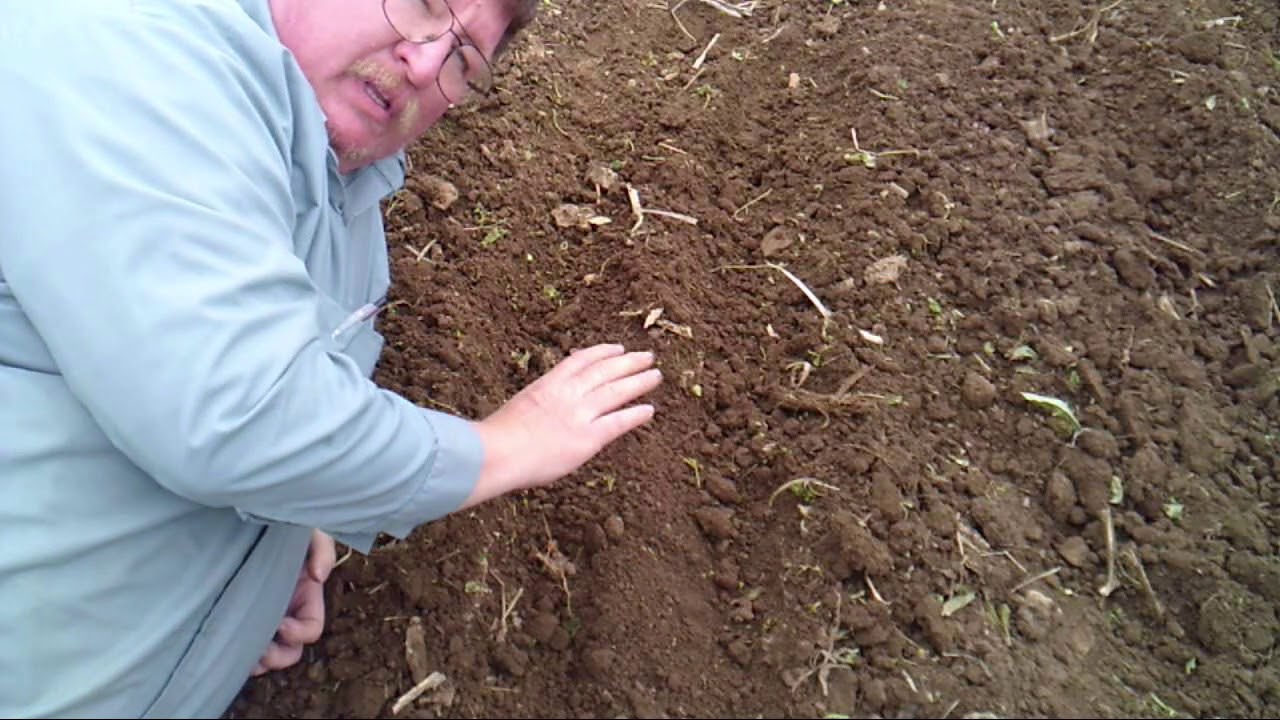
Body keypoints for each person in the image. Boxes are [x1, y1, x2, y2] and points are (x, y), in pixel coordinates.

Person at [0, 0, 662, 716]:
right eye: (420, 4)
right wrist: (505, 447)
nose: (425, 63)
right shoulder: (128, 56)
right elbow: (238, 418)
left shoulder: (342, 192)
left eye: (463, 59)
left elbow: (269, 398)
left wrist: (279, 535)